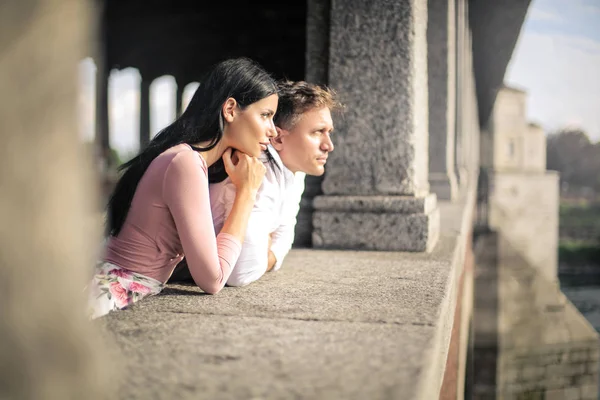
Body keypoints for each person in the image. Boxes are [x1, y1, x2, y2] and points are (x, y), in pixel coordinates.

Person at [87, 58, 278, 319]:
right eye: (266, 115)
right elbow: (212, 279)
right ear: (230, 109)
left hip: (119, 285)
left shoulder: (191, 161)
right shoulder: (184, 162)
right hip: (111, 292)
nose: (273, 130)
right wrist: (247, 192)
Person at [170, 80, 341, 286]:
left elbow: (285, 238)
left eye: (329, 132)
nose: (328, 146)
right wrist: (267, 250)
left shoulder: (294, 171)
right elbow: (239, 273)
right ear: (277, 139)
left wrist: (269, 254)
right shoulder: (255, 169)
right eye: (317, 132)